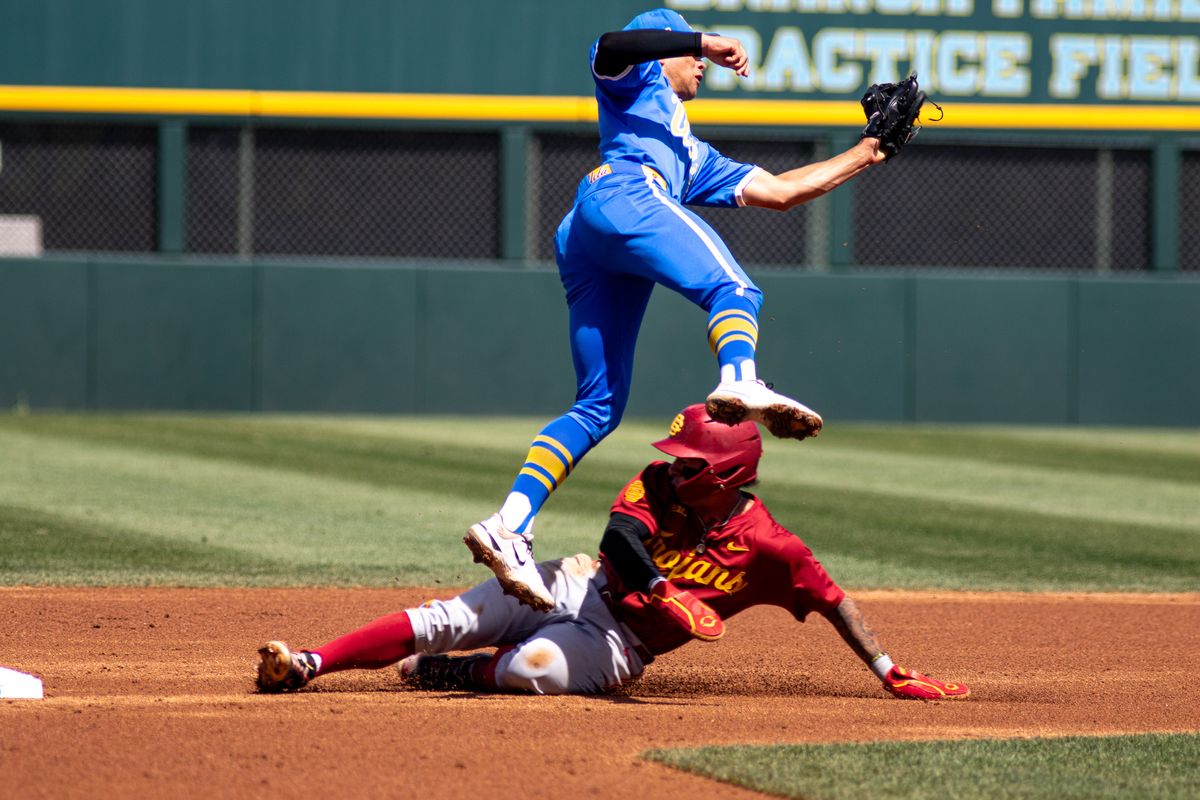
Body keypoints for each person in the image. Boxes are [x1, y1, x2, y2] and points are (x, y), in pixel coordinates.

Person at [464, 8, 889, 612]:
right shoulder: (636, 80)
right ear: (664, 52)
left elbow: (783, 192)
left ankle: (509, 525)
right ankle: (740, 381)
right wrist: (702, 40)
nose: (701, 67)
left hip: (592, 230)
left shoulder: (691, 153)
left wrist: (867, 151)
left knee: (598, 406)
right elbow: (616, 43)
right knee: (735, 290)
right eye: (689, 56)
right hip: (623, 194)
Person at [257, 405, 968, 700]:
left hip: (621, 647)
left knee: (533, 669)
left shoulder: (771, 550)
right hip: (582, 586)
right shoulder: (660, 484)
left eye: (690, 461)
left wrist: (886, 669)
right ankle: (310, 663)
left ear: (723, 474)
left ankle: (454, 672)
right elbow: (617, 539)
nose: (672, 465)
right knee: (451, 610)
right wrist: (663, 589)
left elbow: (834, 600)